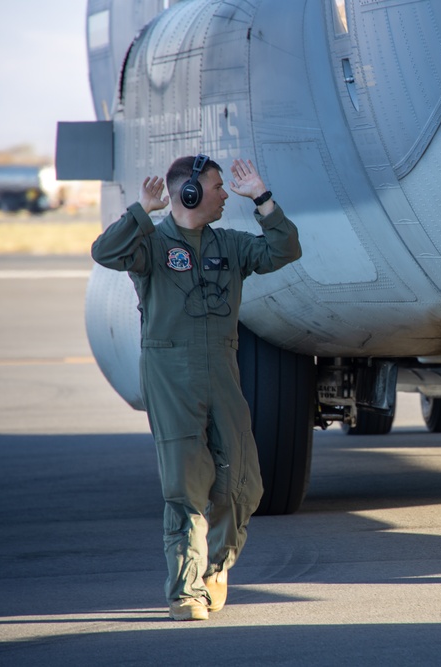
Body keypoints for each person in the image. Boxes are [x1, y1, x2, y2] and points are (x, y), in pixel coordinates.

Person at [91, 155, 302, 620]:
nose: (226, 194)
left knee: (244, 485)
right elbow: (105, 252)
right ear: (189, 193)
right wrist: (141, 212)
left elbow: (283, 250)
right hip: (171, 375)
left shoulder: (228, 244)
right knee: (186, 488)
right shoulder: (151, 245)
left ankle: (216, 567)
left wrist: (263, 199)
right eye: (217, 187)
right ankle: (185, 592)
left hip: (222, 370)